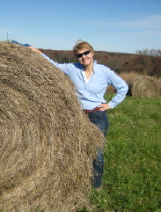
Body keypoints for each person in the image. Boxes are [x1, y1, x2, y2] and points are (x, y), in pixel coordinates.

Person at [29, 41, 128, 189]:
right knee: (76, 147)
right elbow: (53, 65)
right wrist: (39, 53)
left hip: (97, 116)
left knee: (97, 151)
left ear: (92, 53)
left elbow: (123, 87)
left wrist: (110, 104)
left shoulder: (103, 71)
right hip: (78, 115)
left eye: (86, 53)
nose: (83, 57)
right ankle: (76, 179)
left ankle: (96, 184)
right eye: (79, 55)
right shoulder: (72, 68)